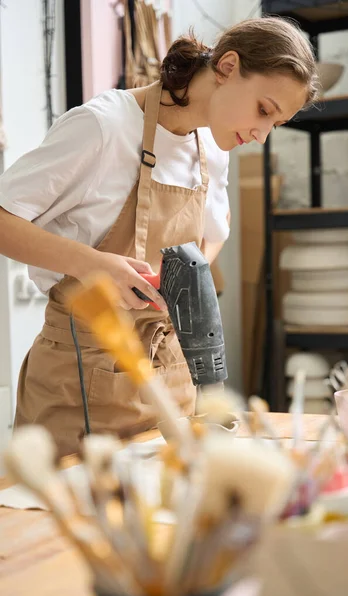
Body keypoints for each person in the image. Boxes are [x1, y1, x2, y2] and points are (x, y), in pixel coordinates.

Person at [0, 16, 318, 456]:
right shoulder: (104, 128)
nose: (261, 136)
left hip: (172, 379)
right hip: (82, 385)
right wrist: (93, 265)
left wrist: (184, 281)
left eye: (275, 124)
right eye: (263, 110)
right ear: (227, 66)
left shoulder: (212, 149)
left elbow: (212, 235)